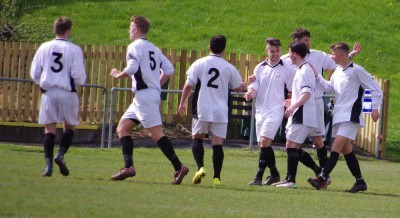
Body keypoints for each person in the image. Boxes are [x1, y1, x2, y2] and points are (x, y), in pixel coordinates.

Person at [110, 16, 189, 185]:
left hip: (144, 96)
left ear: (137, 30)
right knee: (123, 128)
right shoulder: (154, 48)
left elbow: (132, 68)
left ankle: (179, 167)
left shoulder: (134, 46)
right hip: (144, 96)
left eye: (130, 29)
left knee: (156, 135)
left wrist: (118, 74)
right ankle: (128, 166)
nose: (129, 32)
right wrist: (156, 85)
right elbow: (168, 69)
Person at [280, 28, 361, 176]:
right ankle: (319, 174)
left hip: (314, 102)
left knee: (317, 140)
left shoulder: (318, 55)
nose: (307, 43)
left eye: (308, 40)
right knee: (294, 143)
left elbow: (338, 60)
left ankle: (323, 174)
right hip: (298, 100)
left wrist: (352, 54)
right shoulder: (287, 58)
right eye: (304, 41)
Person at [307, 42, 383, 193]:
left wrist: (374, 107)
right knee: (346, 150)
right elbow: (330, 88)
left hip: (351, 115)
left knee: (335, 147)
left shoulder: (357, 70)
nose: (332, 57)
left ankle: (322, 178)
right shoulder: (337, 72)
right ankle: (360, 181)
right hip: (339, 115)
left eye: (333, 54)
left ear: (341, 54)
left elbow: (376, 89)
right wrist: (317, 76)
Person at [178, 35, 244, 186]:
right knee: (217, 144)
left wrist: (182, 102)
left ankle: (200, 168)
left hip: (202, 107)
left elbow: (189, 85)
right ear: (224, 49)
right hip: (221, 109)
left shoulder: (200, 63)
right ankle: (217, 177)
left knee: (197, 138)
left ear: (209, 47)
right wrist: (245, 84)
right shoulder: (228, 67)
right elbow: (238, 87)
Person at [29, 16, 87, 177]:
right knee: (69, 127)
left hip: (49, 92)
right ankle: (60, 154)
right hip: (67, 92)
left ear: (55, 30)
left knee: (49, 129)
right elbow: (78, 75)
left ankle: (48, 166)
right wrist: (77, 84)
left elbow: (35, 73)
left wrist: (42, 83)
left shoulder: (44, 47)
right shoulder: (74, 49)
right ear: (68, 31)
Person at [245, 37, 294, 186]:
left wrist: (289, 104)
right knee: (263, 145)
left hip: (276, 110)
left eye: (277, 51)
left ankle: (258, 177)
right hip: (260, 110)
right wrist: (250, 93)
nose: (275, 54)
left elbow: (292, 90)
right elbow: (255, 86)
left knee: (265, 141)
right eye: (272, 51)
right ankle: (274, 174)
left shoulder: (286, 68)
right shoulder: (259, 68)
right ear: (266, 51)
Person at [272, 41, 320, 188]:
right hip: (301, 113)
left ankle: (290, 180)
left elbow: (306, 94)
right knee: (294, 147)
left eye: (290, 53)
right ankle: (320, 173)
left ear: (295, 53)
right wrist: (291, 102)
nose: (289, 56)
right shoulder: (301, 69)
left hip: (302, 114)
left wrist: (293, 106)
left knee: (291, 146)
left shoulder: (304, 70)